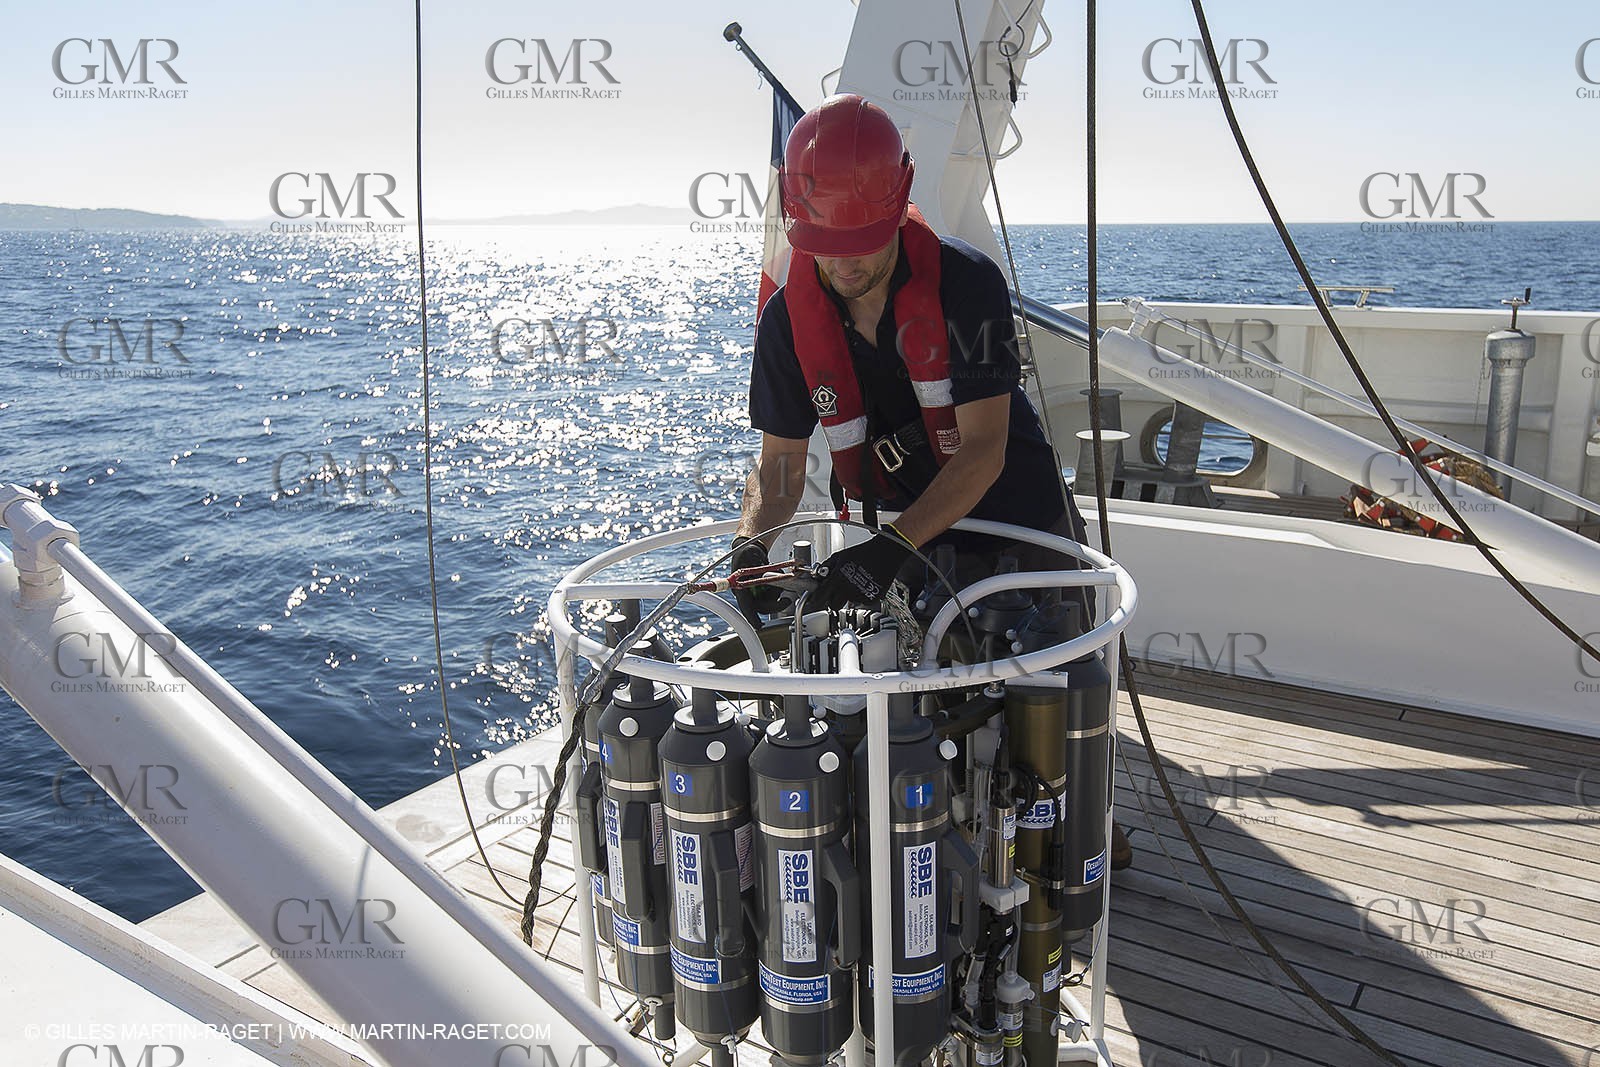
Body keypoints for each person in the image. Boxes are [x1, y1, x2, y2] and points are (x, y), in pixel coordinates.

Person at [730, 93, 1130, 871]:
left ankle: (1082, 846)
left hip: (1015, 526)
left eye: (862, 243)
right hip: (911, 547)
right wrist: (753, 546)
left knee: (1053, 720)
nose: (843, 264)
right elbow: (780, 464)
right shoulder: (789, 320)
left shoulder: (966, 286)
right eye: (825, 245)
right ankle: (953, 882)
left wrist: (886, 550)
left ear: (900, 205)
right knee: (939, 717)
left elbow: (980, 452)